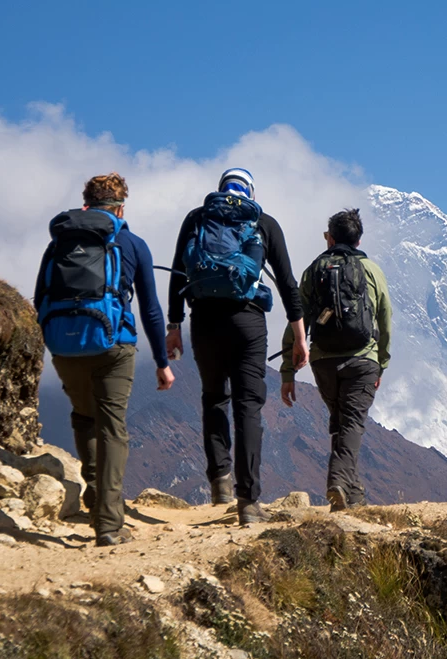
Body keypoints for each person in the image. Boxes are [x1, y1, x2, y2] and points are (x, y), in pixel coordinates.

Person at [35, 173, 174, 547]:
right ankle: (109, 524)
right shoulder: (131, 242)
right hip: (114, 346)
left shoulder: (60, 241)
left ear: (86, 203)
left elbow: (39, 295)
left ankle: (95, 495)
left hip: (64, 346)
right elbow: (151, 310)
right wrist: (162, 361)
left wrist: (55, 340)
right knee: (113, 428)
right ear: (121, 207)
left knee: (84, 416)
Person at [166, 168, 308, 525]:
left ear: (220, 191)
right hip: (247, 321)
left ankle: (220, 481)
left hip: (204, 320)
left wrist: (174, 325)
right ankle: (248, 502)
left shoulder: (198, 218)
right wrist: (300, 336)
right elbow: (289, 284)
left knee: (214, 396)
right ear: (251, 194)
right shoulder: (263, 223)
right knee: (249, 406)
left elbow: (177, 271)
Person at [280, 208, 392, 511]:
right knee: (351, 423)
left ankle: (352, 499)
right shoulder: (371, 270)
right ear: (358, 240)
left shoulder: (315, 269)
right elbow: (385, 318)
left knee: (342, 422)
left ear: (330, 238)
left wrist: (288, 371)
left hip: (323, 360)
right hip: (362, 360)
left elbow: (297, 318)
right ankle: (339, 482)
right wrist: (381, 362)